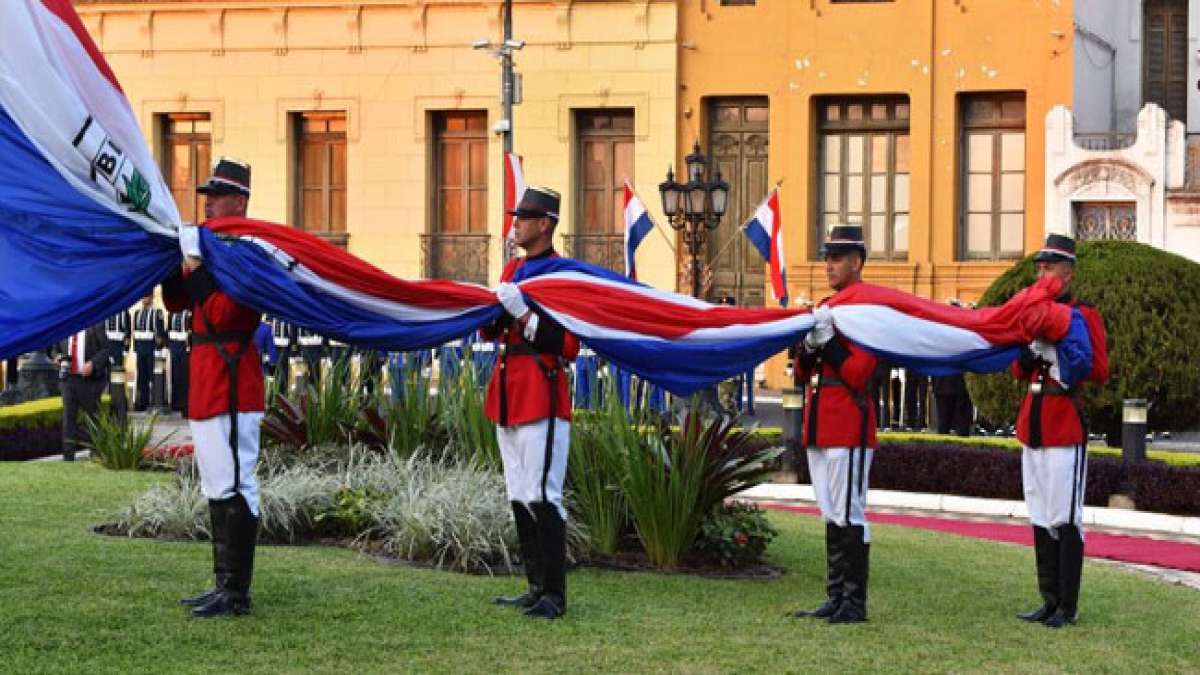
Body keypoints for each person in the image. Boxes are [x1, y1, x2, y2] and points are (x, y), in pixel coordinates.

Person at [164, 157, 265, 618]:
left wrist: (195, 264)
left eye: (216, 195)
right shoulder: (213, 248)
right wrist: (173, 263)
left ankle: (237, 593)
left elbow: (227, 312)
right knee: (216, 484)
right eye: (205, 195)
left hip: (232, 380)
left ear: (240, 200)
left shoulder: (248, 252)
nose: (207, 204)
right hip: (208, 376)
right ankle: (223, 584)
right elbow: (175, 301)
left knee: (238, 484)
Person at [483, 186, 580, 620]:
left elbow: (569, 343)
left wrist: (524, 313)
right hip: (508, 393)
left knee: (544, 495)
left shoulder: (562, 275)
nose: (515, 224)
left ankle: (554, 597)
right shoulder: (513, 269)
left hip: (541, 392)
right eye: (516, 217)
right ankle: (534, 586)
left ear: (545, 224)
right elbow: (489, 331)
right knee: (519, 494)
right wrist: (496, 304)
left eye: (524, 218)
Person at [1012, 234, 1108, 629]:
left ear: (1067, 274)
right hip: (1033, 418)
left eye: (1049, 267)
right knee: (1038, 511)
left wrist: (1059, 354)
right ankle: (1048, 599)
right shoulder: (1035, 311)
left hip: (1063, 420)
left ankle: (1067, 606)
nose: (1042, 274)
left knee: (1064, 516)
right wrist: (1029, 350)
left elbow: (1098, 369)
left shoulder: (1083, 315)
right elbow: (1018, 370)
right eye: (1040, 267)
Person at [790, 224, 878, 625]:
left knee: (850, 512)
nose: (829, 265)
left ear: (857, 262)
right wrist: (808, 346)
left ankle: (854, 602)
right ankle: (835, 595)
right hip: (822, 421)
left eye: (837, 258)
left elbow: (861, 371)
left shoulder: (868, 311)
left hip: (849, 423)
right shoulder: (828, 307)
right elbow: (800, 372)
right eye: (826, 257)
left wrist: (829, 343)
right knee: (830, 511)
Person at [55, 323, 110, 461]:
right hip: (67, 379)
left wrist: (92, 364)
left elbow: (106, 350)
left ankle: (96, 454)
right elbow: (54, 349)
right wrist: (57, 358)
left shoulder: (95, 324)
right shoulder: (64, 324)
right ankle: (68, 458)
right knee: (68, 418)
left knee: (92, 418)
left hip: (88, 381)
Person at [131, 294, 165, 411]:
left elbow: (159, 331)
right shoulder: (137, 313)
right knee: (141, 376)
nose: (144, 299)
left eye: (147, 297)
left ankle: (154, 401)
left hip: (151, 346)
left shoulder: (157, 313)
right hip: (140, 346)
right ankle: (142, 401)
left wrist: (158, 348)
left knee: (152, 375)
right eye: (143, 297)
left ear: (151, 298)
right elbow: (134, 332)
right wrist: (135, 348)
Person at [166, 308, 191, 416]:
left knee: (184, 375)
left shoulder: (188, 313)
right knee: (175, 374)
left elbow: (190, 330)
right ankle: (175, 403)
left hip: (184, 345)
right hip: (174, 344)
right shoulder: (171, 313)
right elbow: (168, 329)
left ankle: (183, 403)